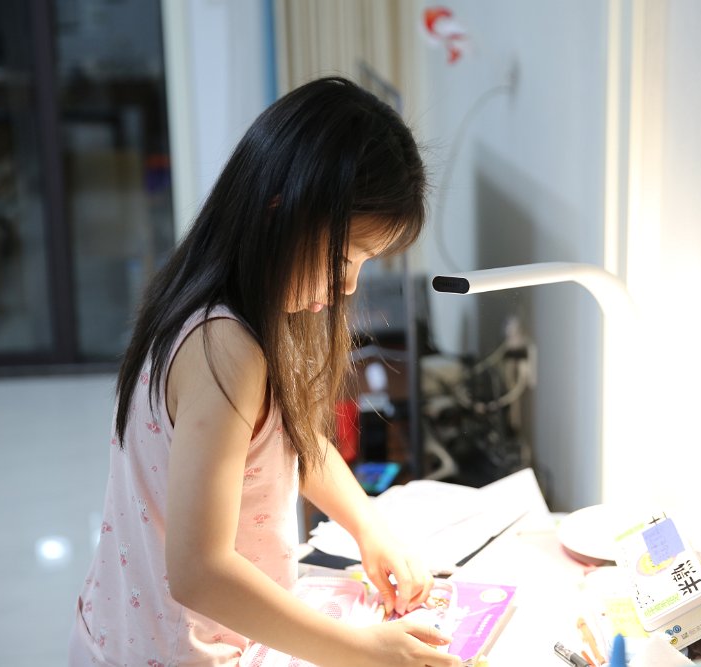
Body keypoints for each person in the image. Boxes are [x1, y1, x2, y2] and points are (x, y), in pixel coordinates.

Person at [69, 77, 461, 667]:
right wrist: (359, 651)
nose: (349, 284)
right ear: (283, 213)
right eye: (345, 258)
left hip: (142, 631)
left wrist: (369, 528)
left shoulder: (244, 303)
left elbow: (292, 440)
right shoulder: (223, 347)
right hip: (173, 651)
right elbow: (199, 573)